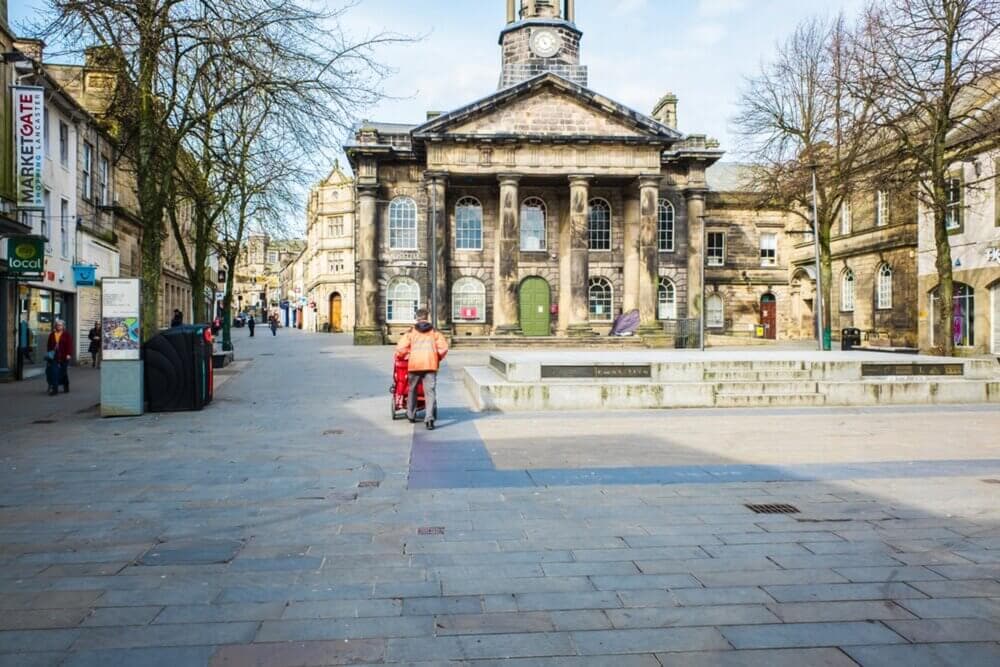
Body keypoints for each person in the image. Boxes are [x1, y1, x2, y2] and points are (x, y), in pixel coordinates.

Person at [395, 308, 449, 430]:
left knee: (412, 390)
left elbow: (400, 348)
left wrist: (403, 356)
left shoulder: (411, 332)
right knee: (430, 392)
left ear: (417, 318)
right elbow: (444, 348)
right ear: (427, 317)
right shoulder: (435, 332)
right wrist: (437, 357)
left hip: (414, 365)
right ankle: (429, 419)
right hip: (430, 365)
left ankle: (411, 414)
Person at [46, 319, 73, 396]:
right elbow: (49, 346)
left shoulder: (66, 334)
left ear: (63, 326)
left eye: (60, 325)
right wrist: (49, 355)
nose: (59, 326)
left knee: (63, 372)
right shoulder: (52, 334)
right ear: (55, 326)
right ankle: (55, 389)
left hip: (64, 356)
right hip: (54, 356)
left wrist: (69, 354)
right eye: (57, 325)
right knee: (55, 372)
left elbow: (69, 345)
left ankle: (66, 384)